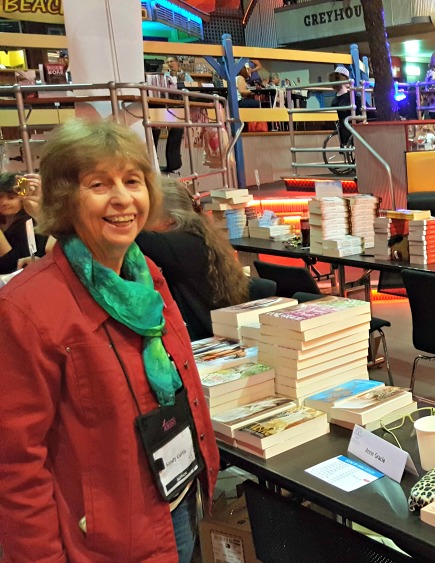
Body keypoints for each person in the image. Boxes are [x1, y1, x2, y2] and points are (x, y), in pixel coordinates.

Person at [0, 119, 220, 561]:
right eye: (98, 184)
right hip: (107, 540)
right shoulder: (27, 308)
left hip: (178, 499)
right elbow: (16, 467)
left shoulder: (146, 278)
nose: (122, 199)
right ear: (65, 198)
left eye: (132, 180)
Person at [136, 179, 249, 340]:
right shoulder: (199, 236)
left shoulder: (178, 245)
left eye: (145, 214)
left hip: (203, 338)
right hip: (215, 331)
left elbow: (131, 235)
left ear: (170, 219)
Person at [0, 173, 47, 274]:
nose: (4, 202)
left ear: (21, 198)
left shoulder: (27, 223)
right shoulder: (6, 224)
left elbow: (13, 264)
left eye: (11, 197)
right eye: (0, 197)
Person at [153, 56, 193, 174]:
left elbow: (191, 87)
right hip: (163, 104)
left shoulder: (185, 75)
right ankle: (154, 161)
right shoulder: (163, 76)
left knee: (176, 129)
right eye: (168, 62)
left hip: (178, 106)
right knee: (155, 128)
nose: (170, 64)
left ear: (177, 63)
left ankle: (173, 163)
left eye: (172, 61)